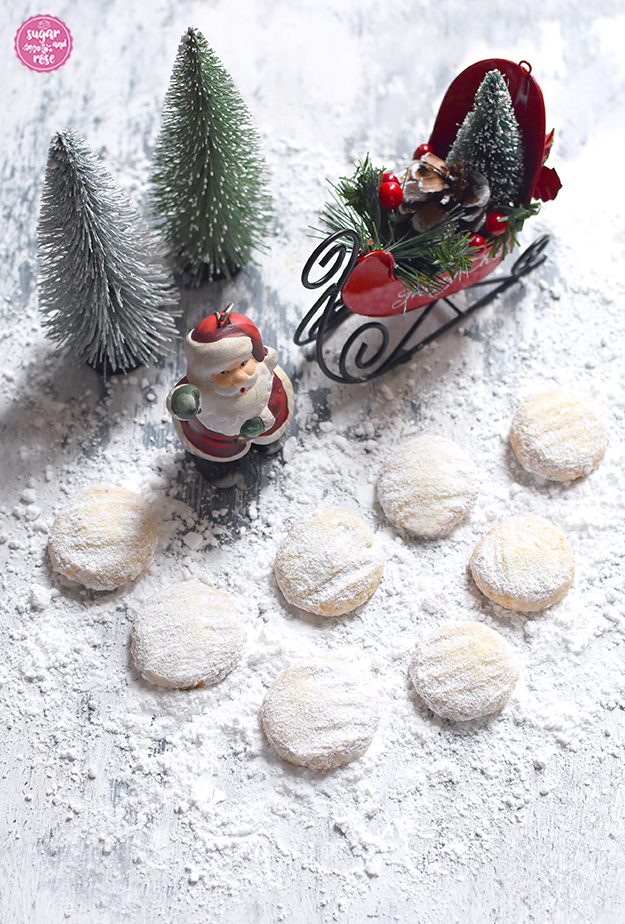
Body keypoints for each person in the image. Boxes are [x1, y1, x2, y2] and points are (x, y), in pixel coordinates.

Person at [167, 304, 294, 464]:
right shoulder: (202, 392)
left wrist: (263, 423)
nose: (239, 377)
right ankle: (221, 465)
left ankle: (268, 440)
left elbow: (276, 398)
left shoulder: (265, 373)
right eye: (223, 373)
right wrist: (183, 402)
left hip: (269, 420)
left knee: (273, 423)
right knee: (217, 449)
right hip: (216, 437)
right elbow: (181, 401)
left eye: (243, 364)